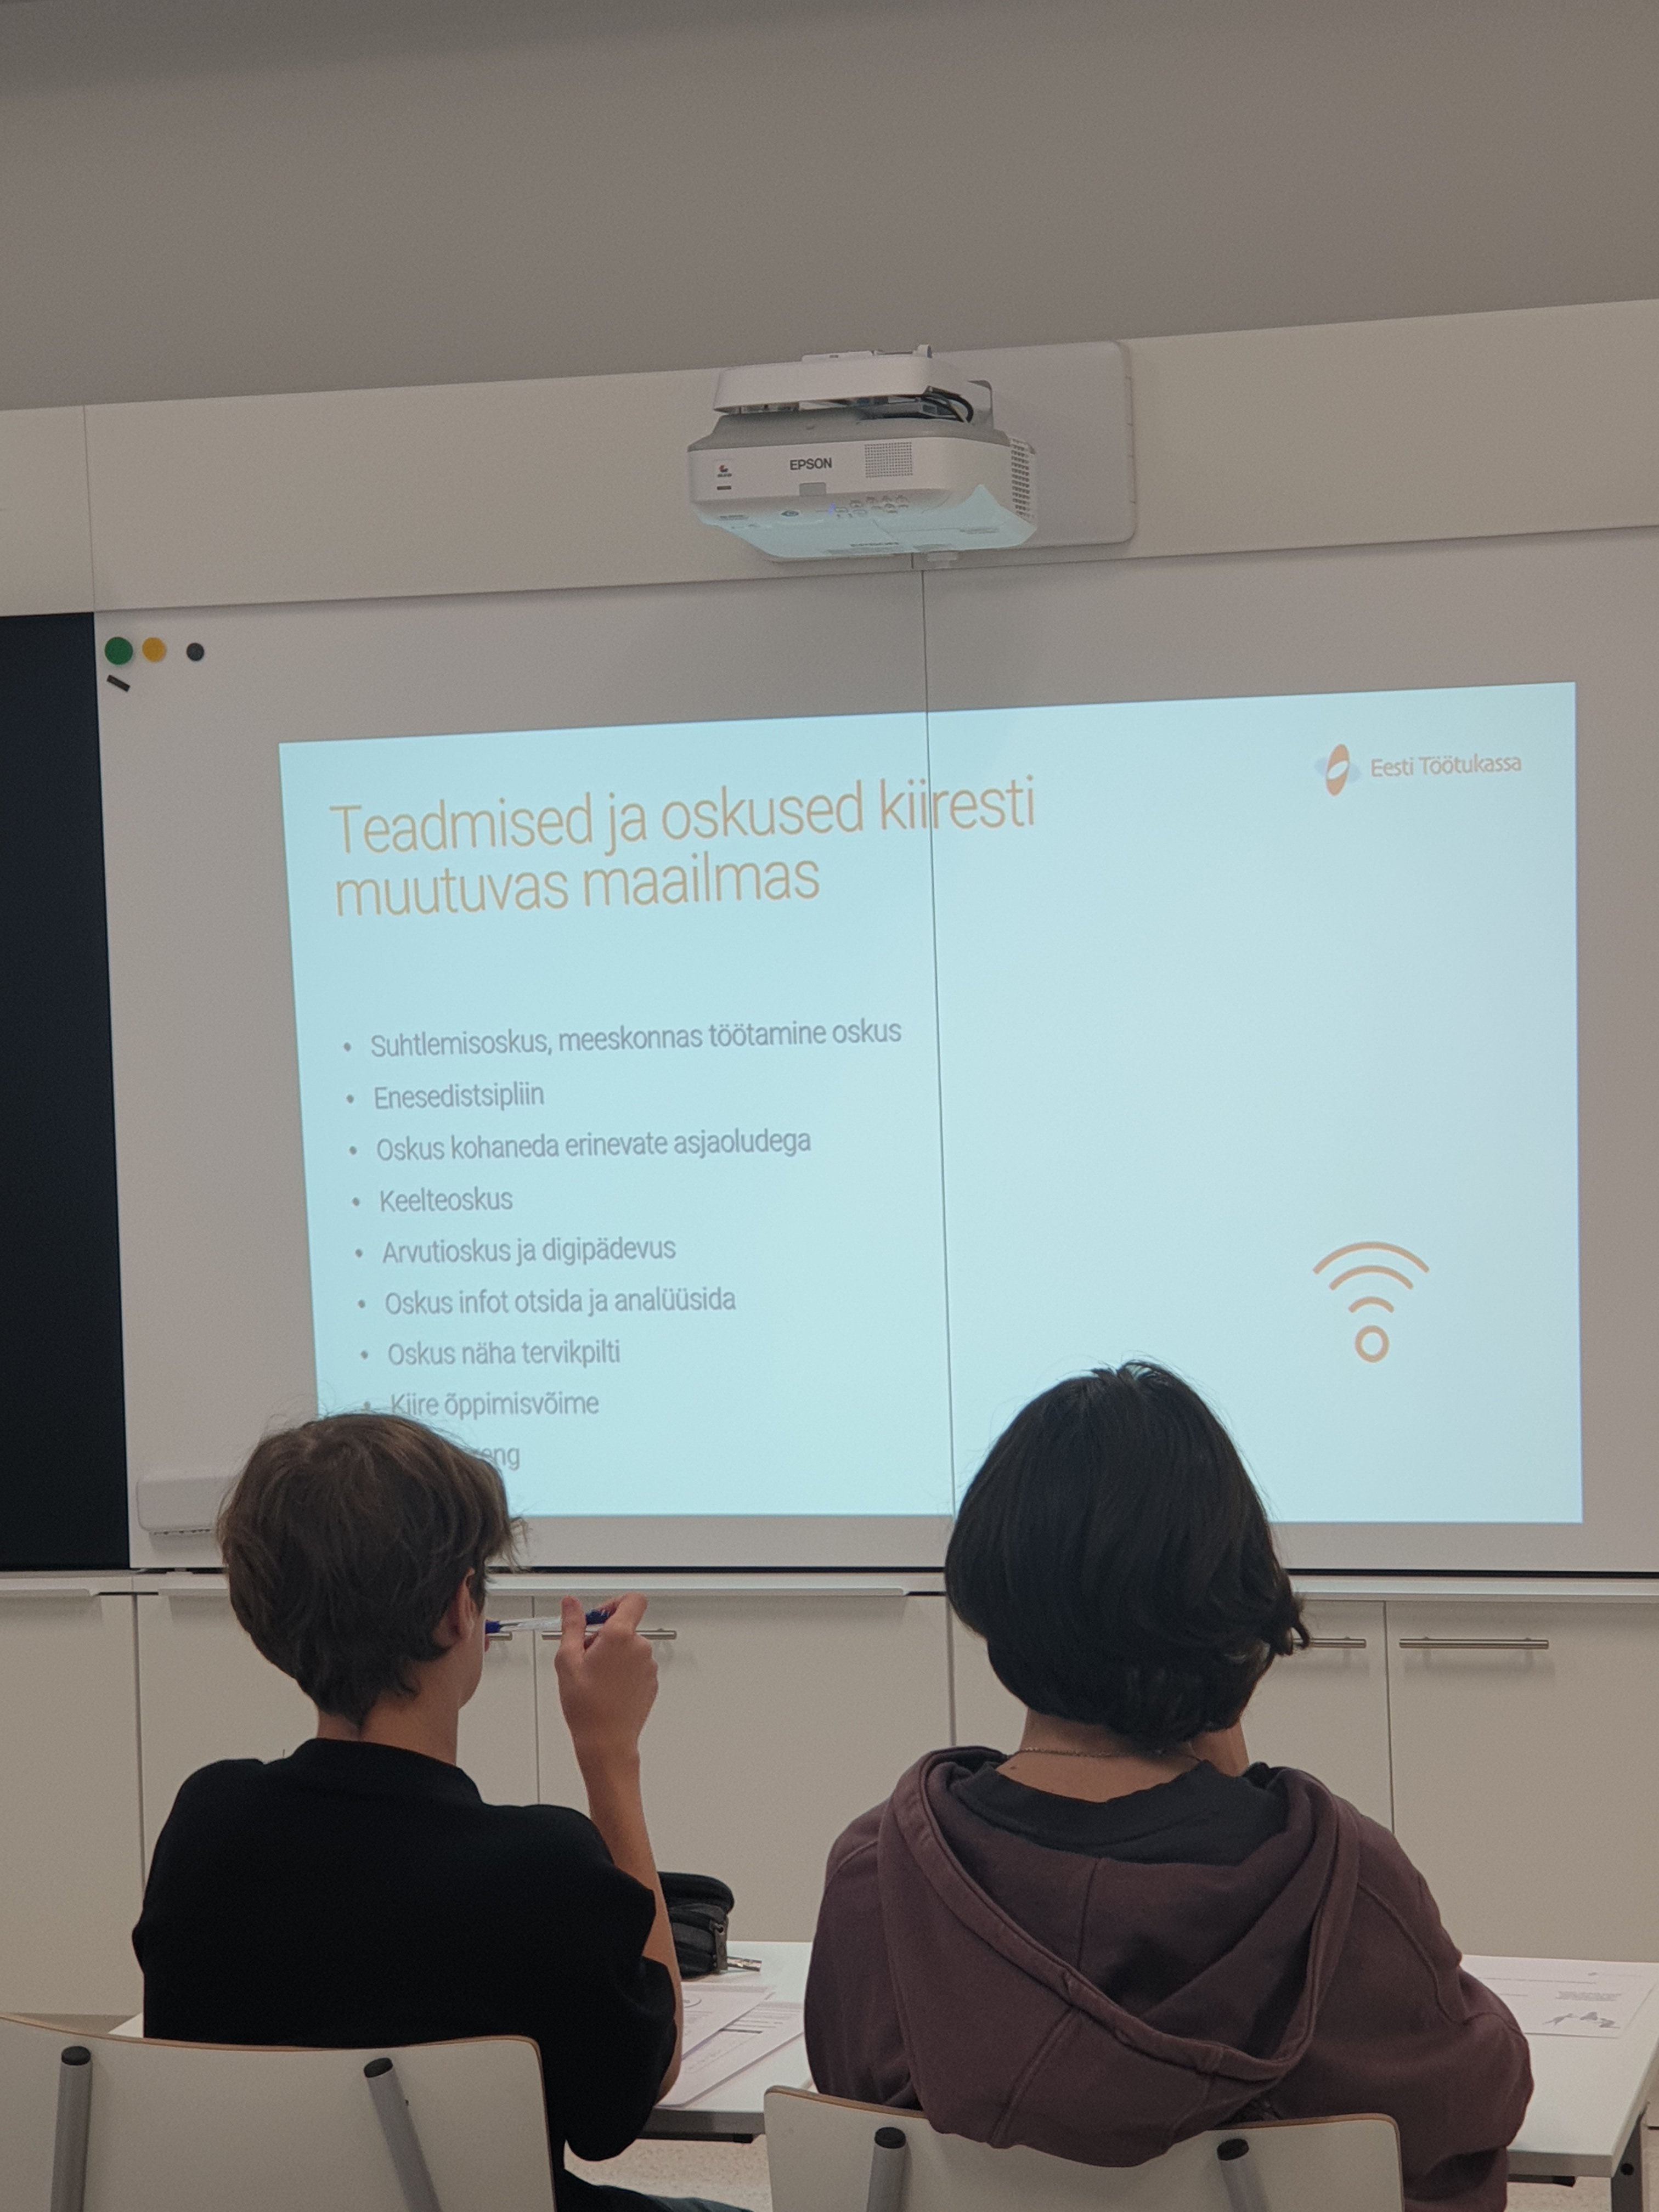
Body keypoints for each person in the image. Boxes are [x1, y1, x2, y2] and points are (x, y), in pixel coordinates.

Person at [804, 1363, 1531, 2212]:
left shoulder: (878, 1878)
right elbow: (1474, 2106)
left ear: (995, 1585)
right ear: (1232, 1598)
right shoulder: (1338, 1881)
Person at [133, 1413, 737, 2212]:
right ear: (460, 1610)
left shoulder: (208, 1823)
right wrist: (609, 1755)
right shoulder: (541, 1865)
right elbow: (627, 2097)